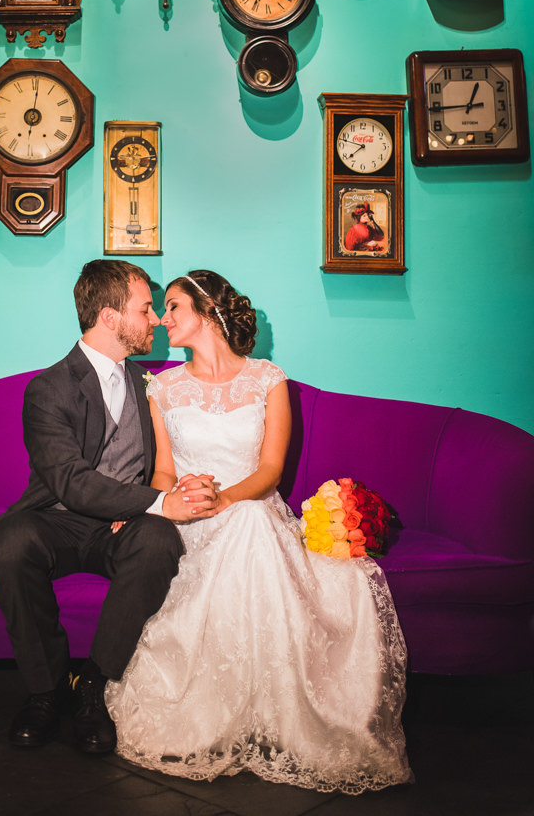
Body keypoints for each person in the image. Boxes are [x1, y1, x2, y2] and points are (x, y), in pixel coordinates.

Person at [106, 270, 412, 793]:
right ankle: (206, 712)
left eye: (174, 307)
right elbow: (161, 471)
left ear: (206, 313)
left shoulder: (269, 380)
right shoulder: (162, 387)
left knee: (248, 519)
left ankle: (282, 715)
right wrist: (168, 502)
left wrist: (225, 498)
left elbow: (270, 471)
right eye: (159, 309)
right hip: (191, 517)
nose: (162, 318)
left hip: (253, 511)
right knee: (229, 523)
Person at [0, 260, 220, 754]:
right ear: (110, 317)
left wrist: (168, 500)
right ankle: (44, 691)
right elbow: (71, 483)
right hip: (57, 520)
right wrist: (161, 501)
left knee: (160, 539)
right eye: (145, 309)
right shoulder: (48, 388)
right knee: (10, 545)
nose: (157, 320)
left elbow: (170, 455)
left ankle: (94, 688)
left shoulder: (151, 384)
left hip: (122, 526)